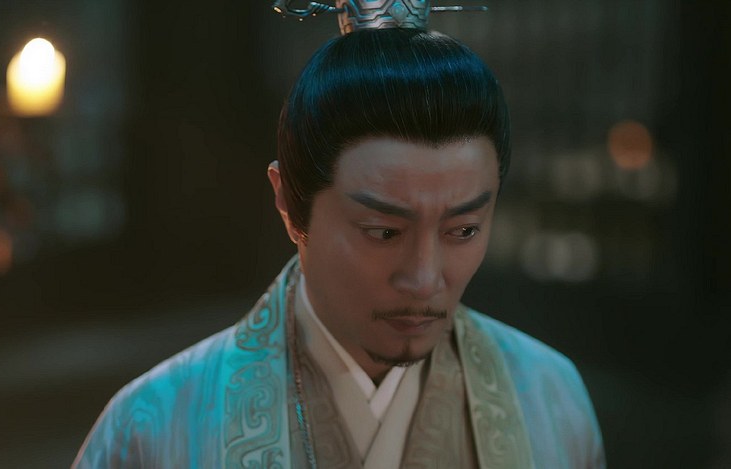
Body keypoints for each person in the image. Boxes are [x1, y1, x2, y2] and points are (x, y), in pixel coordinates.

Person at [73, 5, 605, 468]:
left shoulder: (549, 397)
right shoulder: (152, 427)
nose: (424, 278)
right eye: (383, 231)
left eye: (462, 230)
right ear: (288, 202)